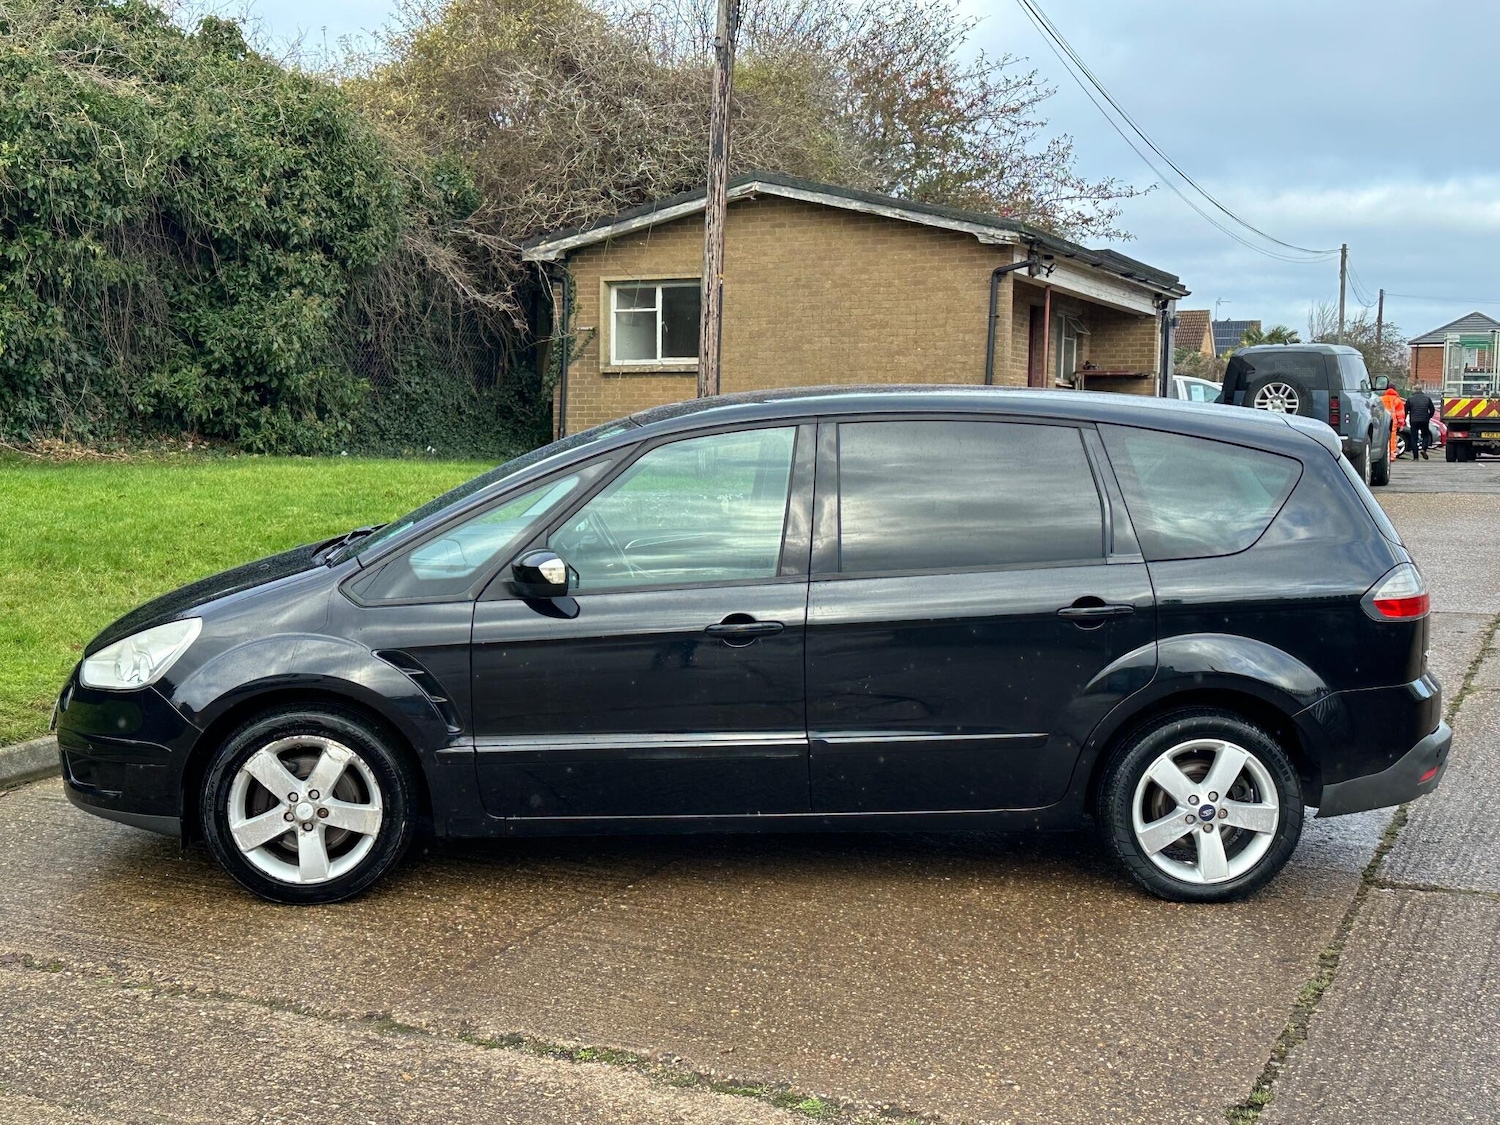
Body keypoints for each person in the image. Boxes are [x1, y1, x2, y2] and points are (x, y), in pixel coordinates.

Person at [1406, 386, 1436, 460]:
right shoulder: (1427, 398)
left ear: (1414, 390)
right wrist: (1428, 417)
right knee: (1425, 435)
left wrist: (1406, 418)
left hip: (1414, 421)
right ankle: (1423, 449)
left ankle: (1415, 457)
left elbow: (1406, 410)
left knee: (1414, 438)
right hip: (1424, 420)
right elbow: (1432, 409)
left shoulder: (1410, 399)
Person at [1383, 384, 1406, 459]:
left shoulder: (1381, 398)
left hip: (1383, 420)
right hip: (1393, 420)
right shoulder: (1397, 400)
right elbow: (1400, 413)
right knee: (1392, 438)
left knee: (1382, 437)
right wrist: (1401, 424)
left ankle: (1383, 455)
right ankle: (1392, 455)